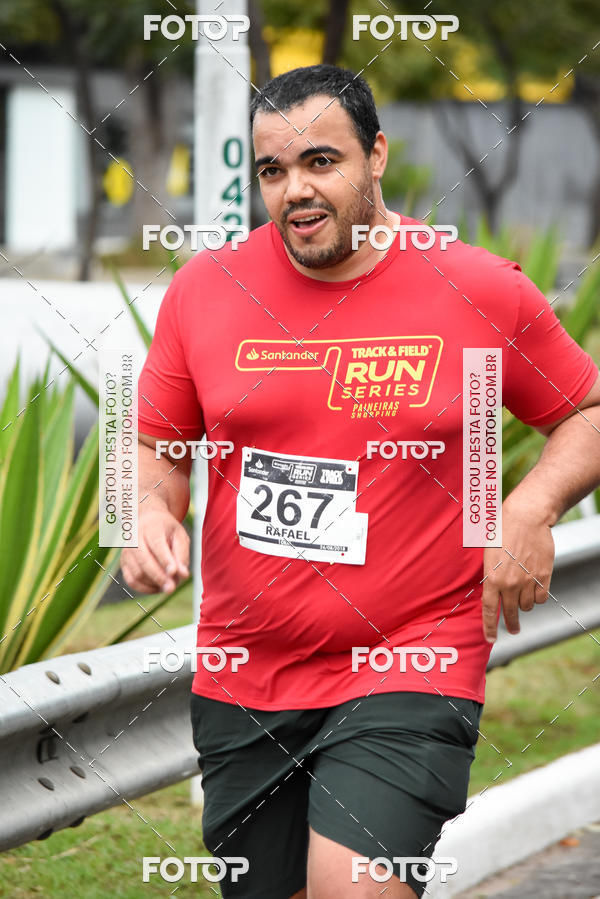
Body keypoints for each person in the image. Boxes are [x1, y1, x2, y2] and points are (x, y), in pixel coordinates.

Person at [122, 64, 600, 898]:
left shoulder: (476, 288)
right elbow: (154, 443)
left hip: (412, 653)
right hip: (248, 668)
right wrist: (145, 510)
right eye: (273, 171)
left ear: (376, 155)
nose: (296, 190)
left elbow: (587, 407)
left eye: (321, 162)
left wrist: (529, 504)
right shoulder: (205, 290)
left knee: (355, 888)